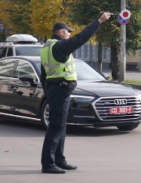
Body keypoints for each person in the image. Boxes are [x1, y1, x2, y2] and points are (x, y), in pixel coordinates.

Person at [40, 12, 111, 174]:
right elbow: (81, 38)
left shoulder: (47, 48)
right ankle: (48, 163)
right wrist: (99, 21)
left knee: (60, 126)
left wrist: (48, 91)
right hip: (59, 89)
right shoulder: (60, 47)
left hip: (56, 89)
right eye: (68, 31)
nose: (70, 34)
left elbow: (44, 73)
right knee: (55, 127)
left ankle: (59, 160)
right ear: (60, 33)